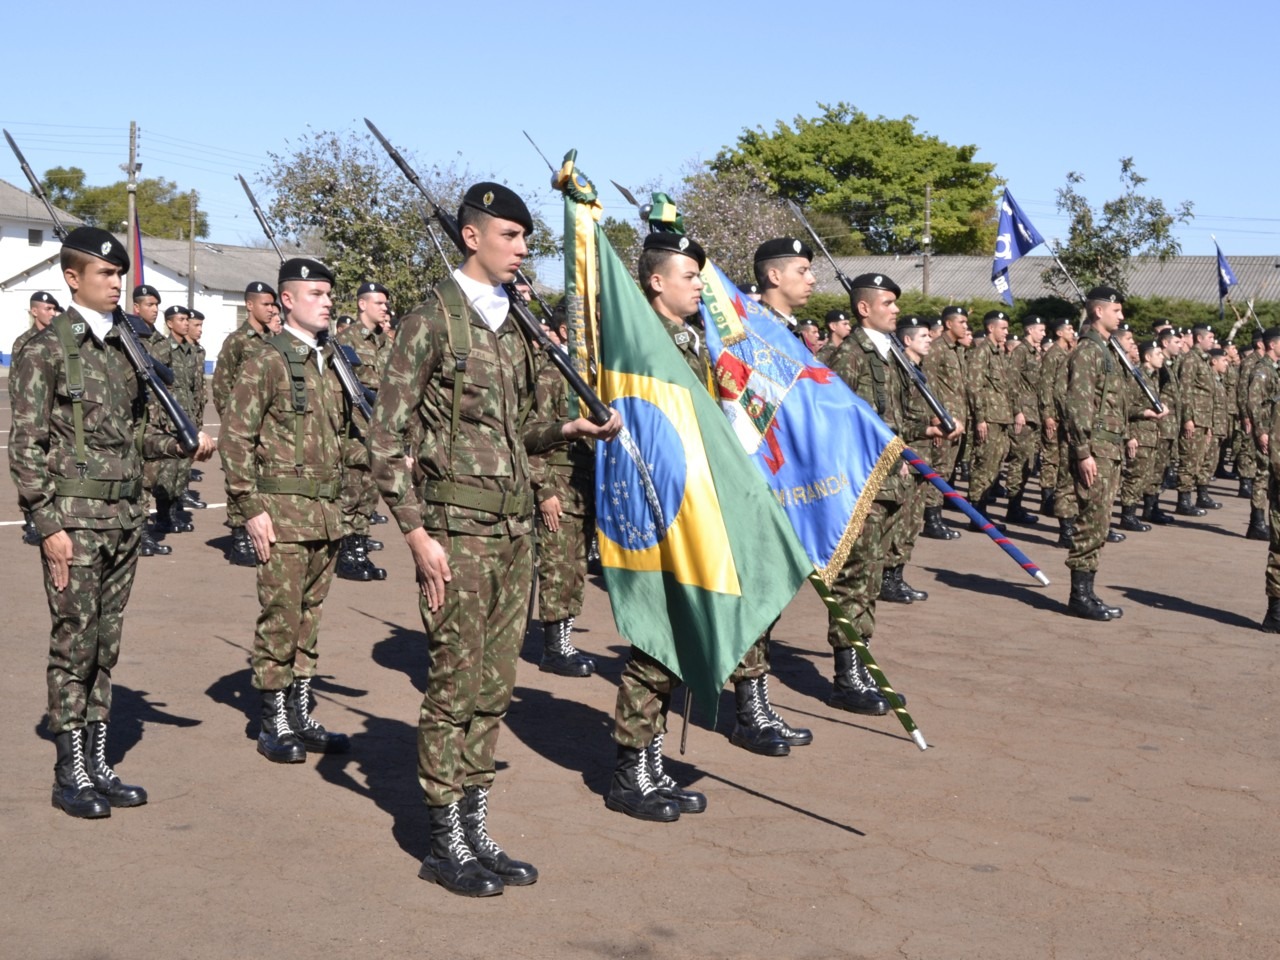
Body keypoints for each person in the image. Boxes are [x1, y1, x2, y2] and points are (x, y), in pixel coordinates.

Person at [369, 183, 620, 896]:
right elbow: (384, 443)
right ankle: (443, 836)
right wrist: (416, 535)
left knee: (494, 685)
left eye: (525, 239)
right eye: (511, 236)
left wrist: (570, 429)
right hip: (455, 531)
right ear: (471, 236)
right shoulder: (428, 324)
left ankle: (476, 826)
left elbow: (517, 432)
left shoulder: (512, 326)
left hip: (512, 534)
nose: (522, 249)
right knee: (452, 685)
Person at [8, 227, 214, 818]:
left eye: (120, 275)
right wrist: (46, 524)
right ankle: (69, 769)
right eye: (105, 274)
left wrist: (184, 444)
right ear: (72, 279)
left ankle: (99, 762)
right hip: (74, 520)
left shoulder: (128, 351)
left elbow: (139, 436)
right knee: (74, 642)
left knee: (106, 642)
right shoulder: (45, 352)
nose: (116, 283)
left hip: (126, 517)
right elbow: (26, 445)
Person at [220, 258, 363, 768]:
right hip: (280, 511)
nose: (327, 301)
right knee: (281, 616)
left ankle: (301, 710)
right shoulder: (265, 360)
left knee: (310, 616)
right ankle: (273, 717)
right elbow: (236, 438)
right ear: (287, 299)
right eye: (316, 293)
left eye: (329, 293)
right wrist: (249, 507)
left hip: (326, 512)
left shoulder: (332, 362)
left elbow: (345, 438)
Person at [604, 231, 715, 823]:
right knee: (654, 640)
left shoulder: (688, 340)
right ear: (655, 281)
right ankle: (628, 771)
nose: (699, 284)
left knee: (677, 641)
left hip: (689, 503)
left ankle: (650, 761)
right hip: (651, 510)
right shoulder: (640, 342)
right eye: (689, 275)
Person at [825, 273, 926, 713]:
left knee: (870, 578)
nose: (896, 309)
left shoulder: (891, 356)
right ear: (864, 309)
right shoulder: (850, 355)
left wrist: (930, 427)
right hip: (864, 484)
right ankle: (848, 674)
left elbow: (896, 418)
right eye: (887, 302)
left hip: (892, 482)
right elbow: (837, 421)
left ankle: (861, 662)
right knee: (855, 578)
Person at [528, 309, 598, 678]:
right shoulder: (553, 373)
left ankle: (565, 638)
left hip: (584, 488)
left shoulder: (591, 376)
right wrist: (543, 489)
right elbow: (532, 433)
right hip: (558, 484)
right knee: (557, 567)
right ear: (563, 331)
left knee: (575, 568)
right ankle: (554, 648)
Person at [1062, 287, 1130, 621]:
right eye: (1116, 310)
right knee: (1091, 521)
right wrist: (1082, 451)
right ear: (1098, 312)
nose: (1121, 316)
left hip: (1109, 447)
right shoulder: (1088, 351)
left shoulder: (1107, 350)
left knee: (1100, 521)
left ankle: (1087, 591)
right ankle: (1080, 596)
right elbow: (1078, 405)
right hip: (1096, 450)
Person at [881, 315, 954, 602]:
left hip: (922, 453)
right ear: (907, 340)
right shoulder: (898, 372)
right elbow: (897, 418)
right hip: (907, 455)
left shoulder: (917, 370)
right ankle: (888, 578)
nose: (929, 340)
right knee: (900, 522)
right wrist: (929, 427)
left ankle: (897, 575)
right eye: (924, 336)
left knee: (911, 522)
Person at [213, 281, 279, 565]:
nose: (271, 309)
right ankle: (239, 536)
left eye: (273, 305)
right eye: (266, 304)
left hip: (268, 424)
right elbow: (221, 383)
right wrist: (231, 420)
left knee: (262, 477)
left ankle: (257, 534)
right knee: (241, 474)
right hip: (243, 421)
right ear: (249, 305)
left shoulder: (273, 340)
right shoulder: (237, 341)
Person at [333, 280, 393, 582]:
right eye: (380, 303)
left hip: (378, 429)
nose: (385, 308)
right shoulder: (346, 341)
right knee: (351, 492)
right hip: (354, 429)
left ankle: (358, 548)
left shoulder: (387, 343)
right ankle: (346, 553)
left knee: (370, 493)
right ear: (362, 304)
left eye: (385, 304)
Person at [13, 291, 61, 547]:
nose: (52, 313)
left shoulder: (57, 342)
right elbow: (17, 385)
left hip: (54, 422)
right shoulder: (25, 342)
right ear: (34, 311)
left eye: (54, 309)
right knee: (30, 463)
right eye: (48, 309)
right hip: (30, 414)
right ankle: (31, 518)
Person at [967, 310, 1022, 527]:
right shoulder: (983, 353)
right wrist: (980, 418)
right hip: (988, 419)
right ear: (991, 328)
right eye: (1004, 328)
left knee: (994, 466)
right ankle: (977, 516)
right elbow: (974, 387)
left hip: (1001, 419)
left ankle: (982, 513)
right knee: (984, 466)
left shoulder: (998, 354)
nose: (1006, 332)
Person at [919, 305, 969, 540]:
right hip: (943, 420)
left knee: (946, 470)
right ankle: (932, 519)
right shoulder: (937, 349)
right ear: (949, 324)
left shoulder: (957, 350)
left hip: (956, 420)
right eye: (962, 322)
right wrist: (935, 418)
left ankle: (936, 516)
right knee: (937, 470)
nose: (966, 326)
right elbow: (927, 385)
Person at [1177, 323, 1221, 515]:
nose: (1212, 340)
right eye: (1210, 337)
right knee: (1189, 461)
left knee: (1199, 461)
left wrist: (1209, 424)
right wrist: (1188, 419)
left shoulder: (1203, 360)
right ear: (1199, 338)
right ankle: (1183, 501)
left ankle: (1194, 496)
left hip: (1204, 420)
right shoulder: (1191, 360)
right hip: (1194, 420)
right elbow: (1185, 390)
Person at [1005, 316, 1045, 525]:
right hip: (1024, 415)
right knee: (1018, 461)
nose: (1044, 333)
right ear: (1030, 330)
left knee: (1028, 463)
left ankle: (1017, 505)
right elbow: (1011, 381)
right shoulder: (1020, 352)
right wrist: (1017, 411)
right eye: (1040, 330)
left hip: (1034, 414)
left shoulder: (1034, 353)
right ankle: (1012, 508)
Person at [1242, 329, 1280, 540]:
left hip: (1274, 430)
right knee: (1263, 473)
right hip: (1267, 430)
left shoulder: (1273, 369)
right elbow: (1253, 401)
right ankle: (1257, 522)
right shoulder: (1262, 370)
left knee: (1270, 475)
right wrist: (1261, 431)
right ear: (1272, 345)